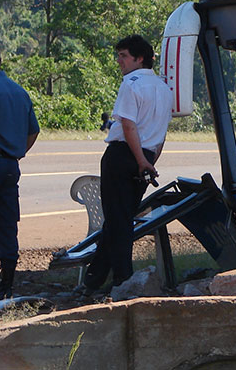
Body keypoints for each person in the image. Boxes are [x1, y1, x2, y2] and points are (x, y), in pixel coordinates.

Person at [80, 35, 172, 296]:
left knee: (119, 222)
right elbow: (161, 133)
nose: (119, 61)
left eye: (123, 56)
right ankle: (94, 279)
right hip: (145, 156)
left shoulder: (130, 84)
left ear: (139, 58)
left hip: (124, 155)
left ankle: (123, 279)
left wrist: (141, 161)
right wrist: (149, 161)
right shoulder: (164, 89)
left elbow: (129, 126)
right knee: (120, 218)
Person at [0, 39, 39, 302]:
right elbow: (33, 130)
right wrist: (17, 152)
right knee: (6, 222)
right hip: (10, 165)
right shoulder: (18, 91)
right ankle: (6, 285)